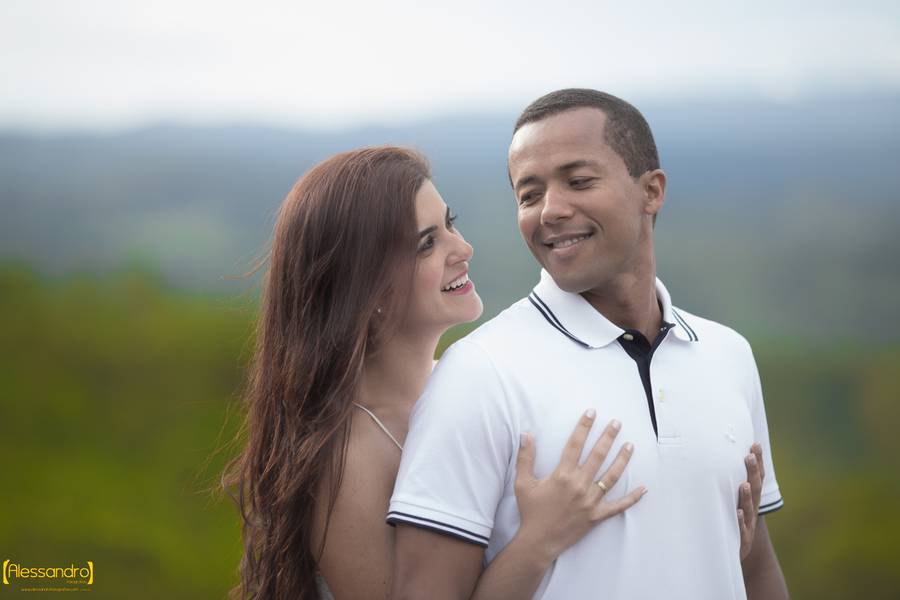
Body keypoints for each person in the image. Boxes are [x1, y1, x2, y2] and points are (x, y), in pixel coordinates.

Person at [388, 89, 789, 600]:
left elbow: (755, 572)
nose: (550, 210)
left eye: (578, 181)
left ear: (652, 190)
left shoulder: (729, 355)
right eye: (529, 194)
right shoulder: (479, 374)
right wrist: (536, 544)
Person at [222, 146, 652, 600]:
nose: (463, 249)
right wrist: (538, 542)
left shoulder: (472, 387)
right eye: (426, 243)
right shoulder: (348, 456)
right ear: (363, 285)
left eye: (450, 223)